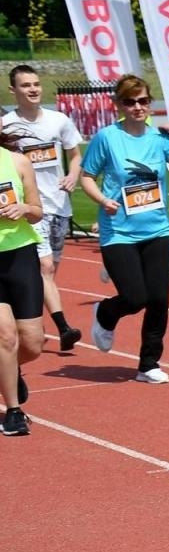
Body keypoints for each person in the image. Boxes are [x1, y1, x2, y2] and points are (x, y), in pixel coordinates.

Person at [79, 74, 169, 384]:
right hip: (118, 231)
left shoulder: (159, 139)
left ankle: (148, 364)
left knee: (159, 298)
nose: (137, 107)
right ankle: (105, 313)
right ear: (118, 104)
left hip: (157, 229)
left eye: (143, 101)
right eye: (130, 102)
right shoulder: (107, 137)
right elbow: (87, 176)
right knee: (134, 297)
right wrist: (103, 199)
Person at [5, 64, 84, 351]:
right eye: (26, 85)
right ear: (13, 90)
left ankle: (24, 317)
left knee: (49, 271)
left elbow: (75, 155)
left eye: (36, 84)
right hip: (28, 208)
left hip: (58, 205)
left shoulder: (58, 120)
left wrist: (73, 175)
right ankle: (63, 327)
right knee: (45, 267)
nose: (34, 89)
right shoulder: (8, 124)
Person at [0, 121, 45, 436]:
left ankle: (11, 369)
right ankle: (13, 412)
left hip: (19, 254)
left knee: (32, 343)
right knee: (5, 336)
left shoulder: (16, 160)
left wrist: (23, 207)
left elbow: (38, 211)